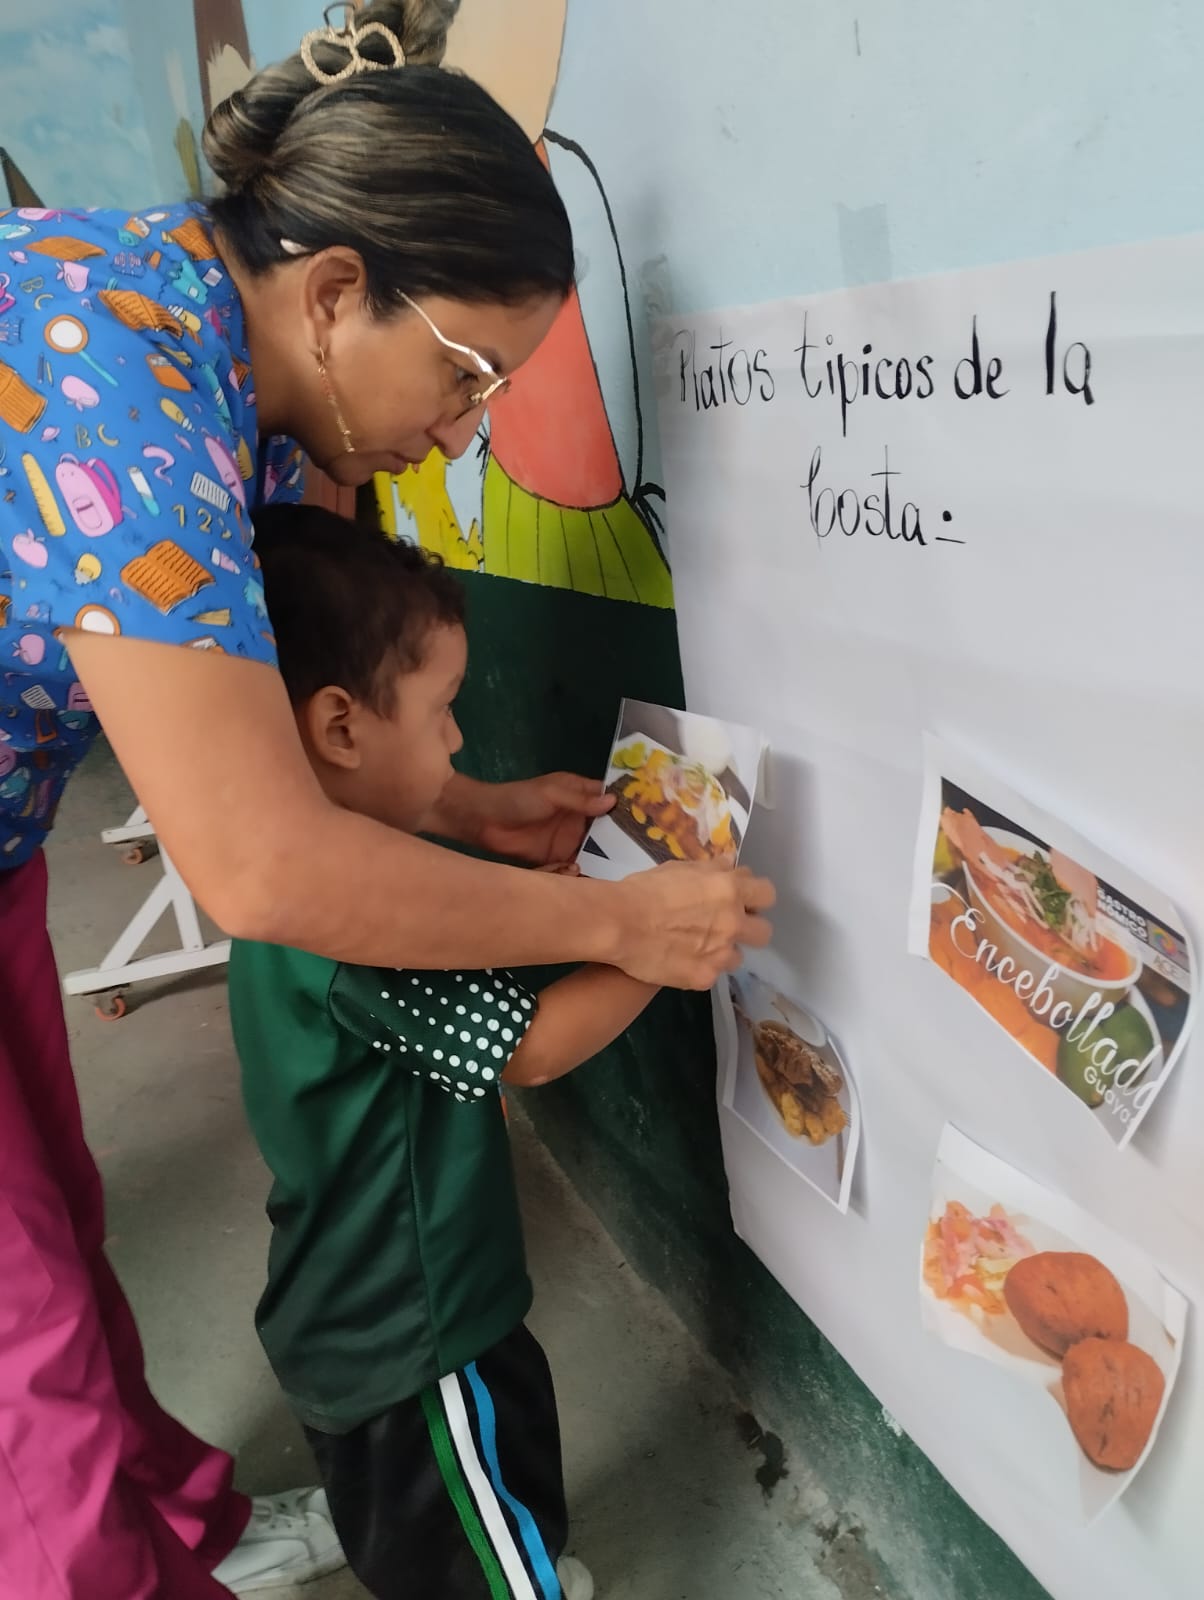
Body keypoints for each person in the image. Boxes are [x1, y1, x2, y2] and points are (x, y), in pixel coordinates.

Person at [0, 5, 773, 1598]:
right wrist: (620, 924)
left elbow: (304, 760)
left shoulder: (250, 381)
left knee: (56, 1213)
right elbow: (266, 861)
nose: (470, 427)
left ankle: (181, 1526)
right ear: (338, 292)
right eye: (468, 372)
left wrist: (473, 810)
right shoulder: (120, 388)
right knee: (24, 1338)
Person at [232, 504, 662, 1600]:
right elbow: (533, 1051)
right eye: (443, 710)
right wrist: (661, 945)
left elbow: (469, 953)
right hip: (411, 1326)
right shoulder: (359, 931)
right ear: (340, 726)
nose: (461, 741)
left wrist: (567, 911)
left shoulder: (310, 879)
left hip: (377, 1294)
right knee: (474, 1541)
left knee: (473, 1487)